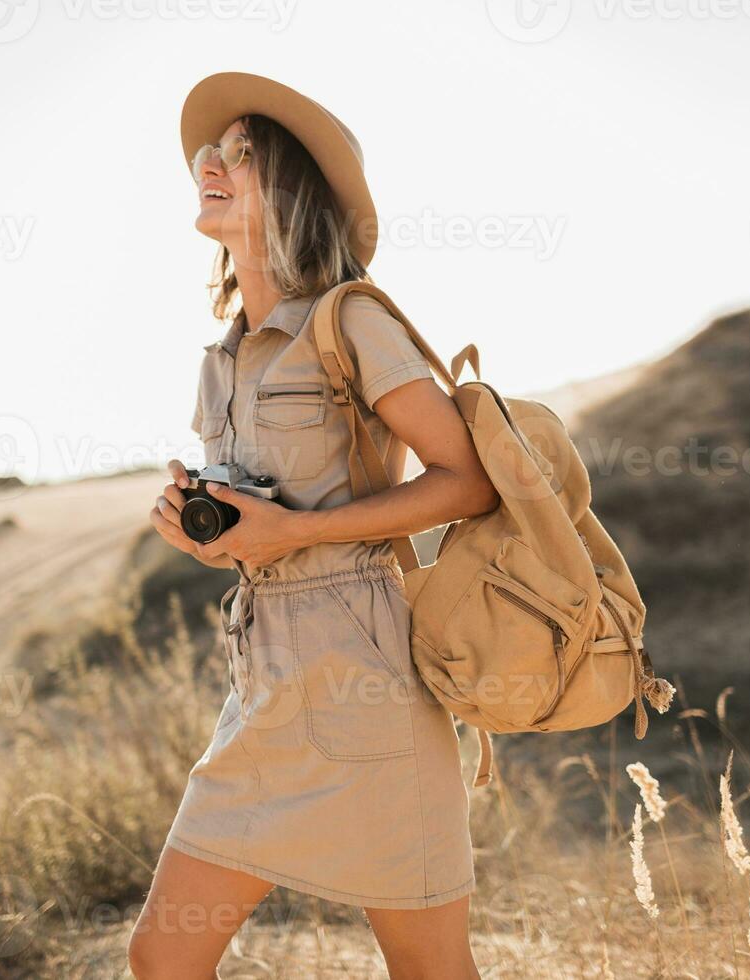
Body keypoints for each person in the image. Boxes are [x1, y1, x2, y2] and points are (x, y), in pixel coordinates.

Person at [132, 71, 498, 980]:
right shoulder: (221, 360)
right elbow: (265, 523)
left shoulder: (353, 321)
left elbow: (471, 481)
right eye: (209, 153)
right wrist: (202, 534)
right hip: (262, 684)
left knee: (432, 972)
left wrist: (292, 536)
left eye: (242, 155)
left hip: (368, 673)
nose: (209, 163)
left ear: (294, 193)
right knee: (162, 958)